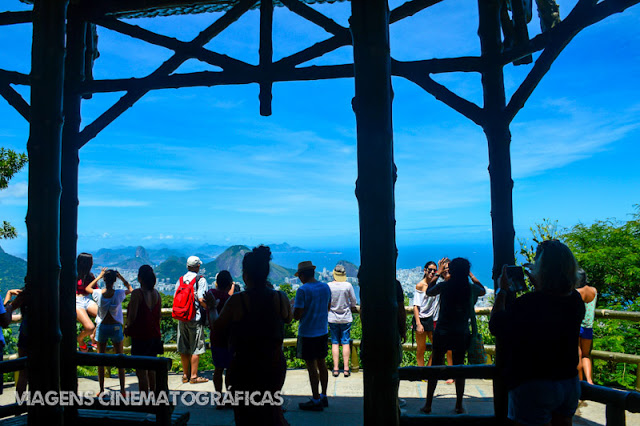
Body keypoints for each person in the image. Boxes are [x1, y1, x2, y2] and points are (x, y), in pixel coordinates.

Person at [490, 240, 585, 426]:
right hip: (568, 382)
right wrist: (540, 285)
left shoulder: (528, 303)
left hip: (534, 383)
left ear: (542, 269)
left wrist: (502, 291)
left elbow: (496, 326)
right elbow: (553, 307)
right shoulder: (576, 301)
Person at [212, 245, 292, 425]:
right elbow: (288, 318)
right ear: (266, 273)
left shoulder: (237, 301)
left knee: (244, 416)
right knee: (272, 413)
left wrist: (211, 308)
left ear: (245, 274)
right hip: (273, 366)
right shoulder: (280, 298)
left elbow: (217, 328)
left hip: (243, 369)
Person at [421, 258, 485, 415]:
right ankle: (459, 405)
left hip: (442, 332)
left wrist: (439, 273)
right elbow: (482, 289)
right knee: (459, 369)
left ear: (452, 271)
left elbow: (429, 291)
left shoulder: (444, 286)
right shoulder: (469, 288)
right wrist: (470, 274)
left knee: (435, 367)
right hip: (461, 333)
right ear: (465, 272)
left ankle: (428, 404)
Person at [86, 268, 133, 396]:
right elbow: (131, 289)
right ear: (115, 280)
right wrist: (122, 278)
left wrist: (99, 276)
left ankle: (101, 389)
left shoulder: (98, 293)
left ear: (104, 279)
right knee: (120, 358)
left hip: (102, 327)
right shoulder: (118, 293)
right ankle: (123, 390)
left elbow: (87, 288)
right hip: (116, 327)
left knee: (100, 359)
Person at [293, 261, 332, 411]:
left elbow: (297, 315)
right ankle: (324, 396)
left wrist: (292, 308)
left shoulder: (302, 290)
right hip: (322, 331)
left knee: (311, 367)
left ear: (302, 275)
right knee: (322, 364)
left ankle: (315, 399)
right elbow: (328, 307)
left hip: (307, 333)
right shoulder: (325, 287)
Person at [125, 265, 163, 395]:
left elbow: (132, 317)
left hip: (140, 337)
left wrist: (127, 327)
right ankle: (154, 398)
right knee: (152, 370)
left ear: (140, 278)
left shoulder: (137, 294)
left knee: (141, 372)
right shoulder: (157, 294)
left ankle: (144, 400)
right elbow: (158, 317)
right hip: (154, 336)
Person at [174, 256, 209, 384]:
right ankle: (194, 376)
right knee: (195, 347)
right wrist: (210, 309)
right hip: (195, 317)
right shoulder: (200, 280)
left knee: (184, 347)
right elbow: (201, 298)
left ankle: (185, 375)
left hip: (182, 317)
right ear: (198, 267)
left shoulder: (180, 280)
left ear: (187, 266)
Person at [205, 270, 234, 399]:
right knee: (229, 370)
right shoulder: (230, 299)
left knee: (218, 369)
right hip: (229, 338)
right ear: (229, 285)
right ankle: (229, 397)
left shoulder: (211, 295)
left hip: (215, 336)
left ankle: (218, 398)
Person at [327, 264, 357, 378]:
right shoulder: (348, 285)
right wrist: (352, 306)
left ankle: (335, 369)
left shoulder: (329, 286)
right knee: (345, 342)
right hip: (346, 318)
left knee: (335, 342)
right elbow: (353, 301)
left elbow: (326, 301)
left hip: (332, 317)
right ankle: (346, 369)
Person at [413, 261, 439, 367]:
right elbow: (416, 306)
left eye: (434, 270)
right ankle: (422, 371)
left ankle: (427, 370)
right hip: (421, 319)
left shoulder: (435, 285)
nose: (432, 272)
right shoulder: (420, 285)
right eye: (430, 270)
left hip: (432, 319)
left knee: (437, 346)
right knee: (421, 348)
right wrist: (418, 324)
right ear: (425, 270)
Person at [576, 268, 597, 385]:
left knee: (577, 355)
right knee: (586, 355)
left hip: (578, 326)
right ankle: (589, 382)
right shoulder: (594, 290)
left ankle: (580, 383)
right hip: (589, 327)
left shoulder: (578, 292)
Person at [76, 252, 98, 351]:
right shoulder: (73, 275)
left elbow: (96, 290)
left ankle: (93, 336)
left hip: (87, 299)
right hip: (76, 301)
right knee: (89, 327)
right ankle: (80, 339)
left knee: (106, 316)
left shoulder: (90, 276)